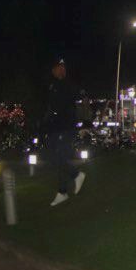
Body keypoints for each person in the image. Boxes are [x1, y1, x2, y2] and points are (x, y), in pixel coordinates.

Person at [41, 59, 84, 206]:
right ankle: (68, 183)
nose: (60, 70)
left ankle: (64, 189)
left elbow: (73, 102)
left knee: (60, 156)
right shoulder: (53, 86)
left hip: (65, 127)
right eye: (58, 68)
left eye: (62, 67)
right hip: (56, 127)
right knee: (55, 157)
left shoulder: (67, 85)